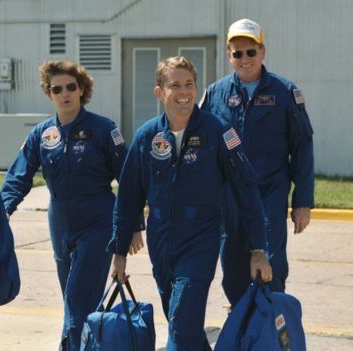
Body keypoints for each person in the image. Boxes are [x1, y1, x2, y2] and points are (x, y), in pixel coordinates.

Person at [110, 56, 272, 350]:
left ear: (196, 88)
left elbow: (247, 191)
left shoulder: (218, 132)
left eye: (189, 84)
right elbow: (129, 195)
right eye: (175, 85)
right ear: (159, 92)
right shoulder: (148, 136)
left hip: (200, 238)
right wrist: (119, 251)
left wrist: (259, 249)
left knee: (182, 326)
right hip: (161, 241)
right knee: (184, 326)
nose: (183, 92)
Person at [1, 59, 144, 350]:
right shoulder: (41, 134)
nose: (64, 93)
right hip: (59, 224)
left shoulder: (104, 129)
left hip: (97, 222)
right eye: (57, 89)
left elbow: (129, 180)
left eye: (71, 87)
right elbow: (18, 177)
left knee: (78, 302)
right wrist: (2, 211)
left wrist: (134, 226)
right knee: (75, 300)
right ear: (48, 93)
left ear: (81, 90)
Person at [200, 18, 314, 306]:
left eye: (251, 52)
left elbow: (301, 146)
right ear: (229, 55)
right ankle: (242, 329)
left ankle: (269, 334)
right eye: (237, 53)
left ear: (263, 52)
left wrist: (303, 201)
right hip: (229, 200)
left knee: (270, 270)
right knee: (233, 273)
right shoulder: (215, 95)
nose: (244, 59)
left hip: (269, 195)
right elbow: (201, 146)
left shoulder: (285, 93)